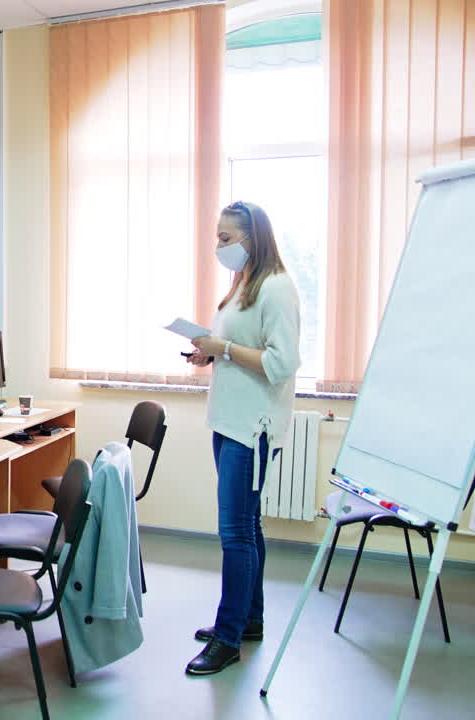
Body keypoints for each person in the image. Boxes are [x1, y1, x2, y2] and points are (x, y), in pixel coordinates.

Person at [184, 201, 301, 676]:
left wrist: (225, 349)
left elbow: (280, 364)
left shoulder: (277, 289)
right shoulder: (244, 285)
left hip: (252, 429)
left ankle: (227, 637)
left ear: (253, 238)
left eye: (227, 238)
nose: (219, 247)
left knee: (235, 533)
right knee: (248, 527)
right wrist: (209, 355)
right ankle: (248, 620)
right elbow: (236, 349)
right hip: (229, 421)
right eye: (218, 237)